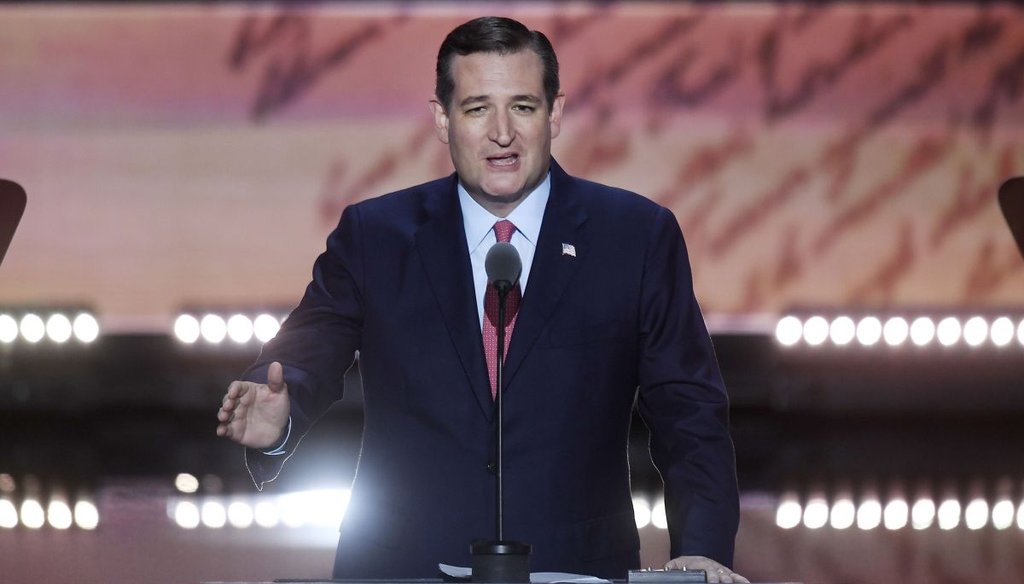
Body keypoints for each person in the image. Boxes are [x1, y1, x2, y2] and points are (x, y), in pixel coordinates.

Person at [217, 16, 746, 583]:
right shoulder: (376, 236)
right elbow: (305, 353)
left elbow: (689, 415)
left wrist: (703, 548)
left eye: (522, 106)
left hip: (579, 569)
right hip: (400, 567)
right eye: (476, 109)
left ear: (556, 114)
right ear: (442, 120)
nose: (502, 133)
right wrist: (281, 415)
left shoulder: (635, 237)